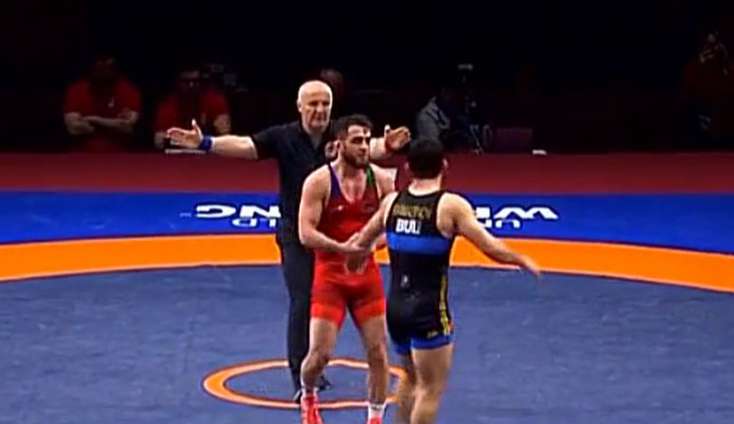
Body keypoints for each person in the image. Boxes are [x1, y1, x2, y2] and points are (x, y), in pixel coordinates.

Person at [165, 81, 411, 400]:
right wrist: (206, 142)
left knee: (340, 301)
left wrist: (388, 146)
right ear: (299, 107)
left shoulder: (339, 134)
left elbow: (365, 147)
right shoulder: (283, 137)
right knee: (303, 298)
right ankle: (301, 374)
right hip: (299, 233)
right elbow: (246, 146)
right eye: (313, 104)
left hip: (338, 234)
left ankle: (317, 362)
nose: (319, 110)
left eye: (325, 104)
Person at [347, 137, 541, 423]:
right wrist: (521, 259)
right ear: (445, 166)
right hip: (428, 311)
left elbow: (362, 241)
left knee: (410, 378)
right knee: (430, 388)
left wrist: (353, 262)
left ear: (408, 168)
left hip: (396, 310)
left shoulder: (392, 202)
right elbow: (489, 247)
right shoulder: (450, 206)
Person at [297, 114, 395, 424]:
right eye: (356, 141)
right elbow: (305, 233)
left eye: (367, 140)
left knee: (378, 353)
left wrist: (368, 246)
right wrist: (344, 249)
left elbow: (392, 228)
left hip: (366, 277)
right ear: (339, 144)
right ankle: (308, 394)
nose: (364, 147)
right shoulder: (319, 181)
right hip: (330, 277)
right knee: (319, 356)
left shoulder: (382, 180)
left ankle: (375, 418)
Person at [63, 53, 141, 152]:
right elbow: (73, 128)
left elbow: (127, 126)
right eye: (100, 68)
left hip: (120, 154)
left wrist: (93, 119)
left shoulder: (129, 90)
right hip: (81, 154)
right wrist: (113, 124)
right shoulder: (76, 90)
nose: (104, 72)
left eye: (108, 68)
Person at [153, 64, 231, 149]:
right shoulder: (168, 105)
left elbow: (225, 135)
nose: (191, 85)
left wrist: (222, 130)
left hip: (210, 152)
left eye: (195, 81)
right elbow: (159, 141)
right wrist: (164, 138)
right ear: (178, 82)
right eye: (186, 82)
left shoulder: (214, 99)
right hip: (177, 153)